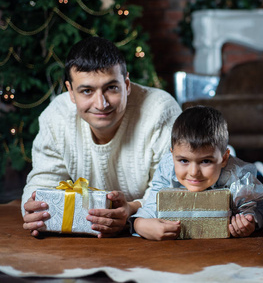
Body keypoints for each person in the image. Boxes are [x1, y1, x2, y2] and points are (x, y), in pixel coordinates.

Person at [21, 36, 182, 238]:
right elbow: (43, 181)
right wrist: (34, 209)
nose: (101, 104)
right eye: (87, 91)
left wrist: (131, 213)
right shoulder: (56, 116)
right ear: (70, 92)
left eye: (111, 88)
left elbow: (175, 188)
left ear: (127, 84)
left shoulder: (160, 111)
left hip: (148, 235)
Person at [130, 106, 263, 240]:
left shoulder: (240, 176)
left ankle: (260, 169)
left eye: (205, 161)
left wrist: (251, 223)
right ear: (172, 156)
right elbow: (151, 205)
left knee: (261, 181)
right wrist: (139, 224)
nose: (194, 172)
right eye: (184, 160)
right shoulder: (167, 168)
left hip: (244, 178)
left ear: (224, 158)